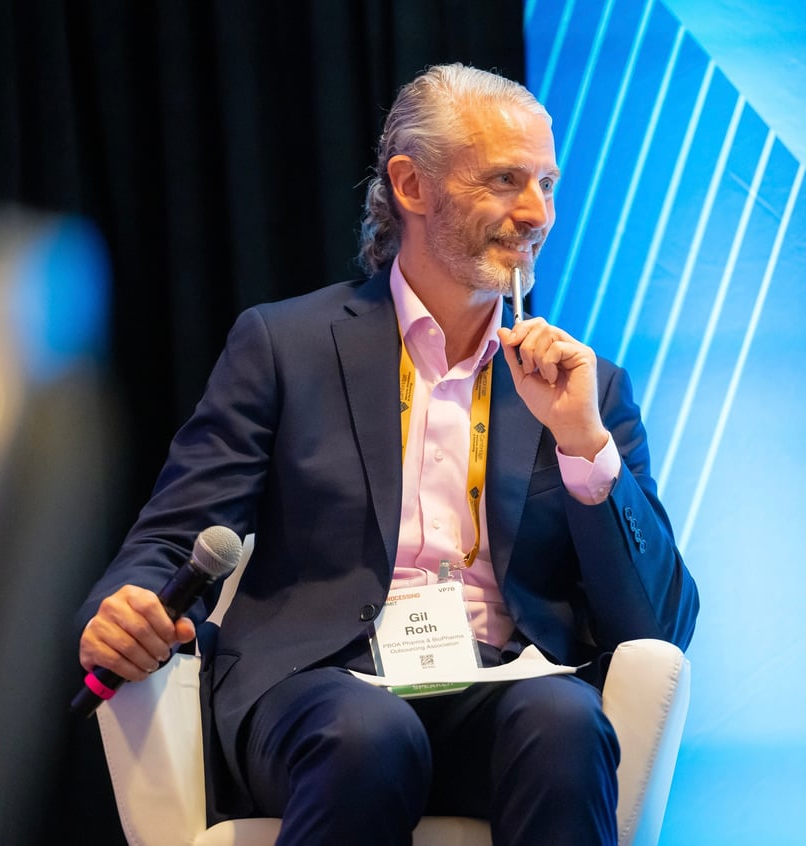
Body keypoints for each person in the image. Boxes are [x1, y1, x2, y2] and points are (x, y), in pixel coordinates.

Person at [76, 63, 699, 846]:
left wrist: (585, 446)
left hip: (501, 691)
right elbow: (174, 536)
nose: (536, 212)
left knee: (567, 724)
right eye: (506, 180)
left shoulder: (587, 385)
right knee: (370, 735)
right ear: (411, 185)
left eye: (548, 182)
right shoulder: (284, 345)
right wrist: (126, 608)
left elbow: (662, 624)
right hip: (320, 692)